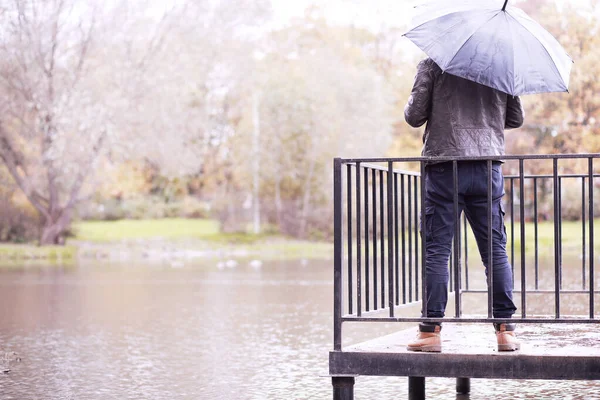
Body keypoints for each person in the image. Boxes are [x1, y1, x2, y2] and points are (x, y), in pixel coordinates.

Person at [404, 58, 524, 352]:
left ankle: (430, 333)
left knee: (437, 251)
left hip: (445, 165)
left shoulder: (434, 63)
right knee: (495, 249)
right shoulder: (501, 64)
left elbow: (414, 116)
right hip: (487, 166)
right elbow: (515, 118)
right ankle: (505, 331)